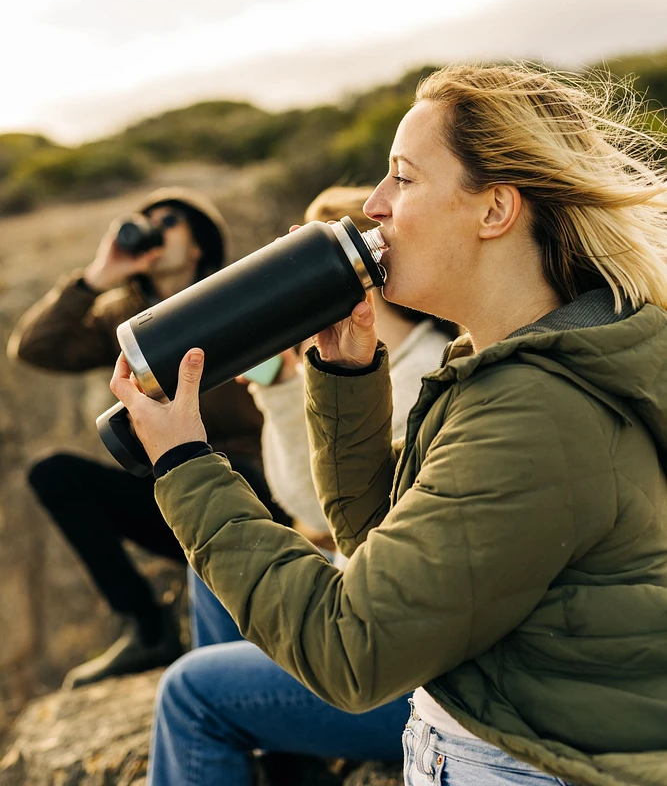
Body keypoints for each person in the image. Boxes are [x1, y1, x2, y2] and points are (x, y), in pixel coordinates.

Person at [111, 65, 667, 786]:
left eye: (402, 178)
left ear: (494, 209)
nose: (374, 205)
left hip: (518, 762)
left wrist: (184, 462)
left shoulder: (535, 408)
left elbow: (352, 651)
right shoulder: (511, 365)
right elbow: (384, 546)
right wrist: (346, 382)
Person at [180, 186, 453, 786]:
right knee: (210, 573)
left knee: (188, 692)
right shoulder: (366, 357)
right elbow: (301, 501)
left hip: (404, 665)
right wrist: (279, 381)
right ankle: (283, 758)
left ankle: (264, 740)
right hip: (386, 608)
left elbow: (324, 514)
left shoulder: (426, 373)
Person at [9, 186, 281, 688]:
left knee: (234, 470)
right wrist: (98, 276)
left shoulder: (235, 296)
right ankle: (148, 626)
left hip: (253, 489)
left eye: (169, 220)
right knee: (55, 475)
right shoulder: (125, 318)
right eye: (145, 219)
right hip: (169, 489)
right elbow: (35, 347)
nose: (154, 228)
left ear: (198, 246)